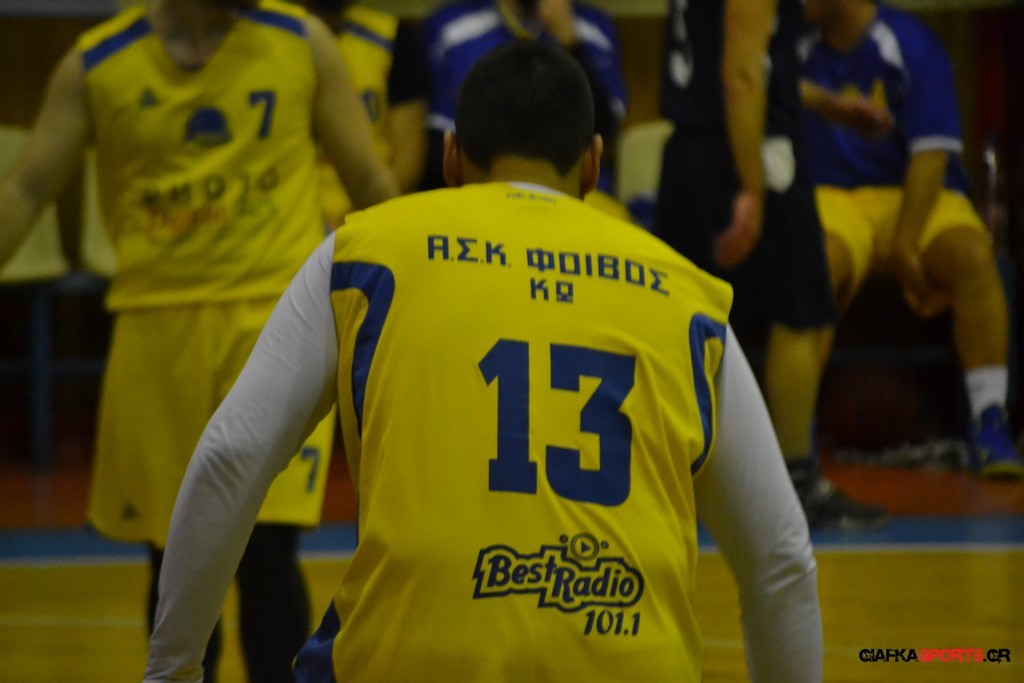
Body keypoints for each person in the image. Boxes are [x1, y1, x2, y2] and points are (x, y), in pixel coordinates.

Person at [144, 41, 822, 682]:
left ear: (450, 157)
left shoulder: (368, 252)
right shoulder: (687, 294)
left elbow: (232, 453)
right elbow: (782, 556)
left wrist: (173, 670)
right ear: (592, 164)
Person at [0, 1, 398, 681]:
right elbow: (27, 188)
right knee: (175, 559)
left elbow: (370, 182)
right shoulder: (97, 63)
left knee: (268, 551)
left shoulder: (302, 42)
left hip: (275, 328)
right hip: (155, 333)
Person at [655, 0, 890, 530]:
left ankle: (676, 476)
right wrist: (753, 191)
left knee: (687, 321)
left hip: (689, 153)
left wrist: (829, 105)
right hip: (752, 152)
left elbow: (738, 63)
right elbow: (740, 75)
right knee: (803, 312)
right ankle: (796, 484)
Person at [800, 0, 1024, 479]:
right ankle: (798, 430)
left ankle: (989, 419)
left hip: (914, 195)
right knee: (814, 265)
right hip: (831, 196)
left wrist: (904, 245)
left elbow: (931, 153)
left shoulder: (910, 42)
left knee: (971, 255)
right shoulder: (792, 43)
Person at [419, 0, 630, 220]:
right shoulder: (449, 29)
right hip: (476, 202)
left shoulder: (595, 28)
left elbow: (605, 130)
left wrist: (572, 44)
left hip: (586, 202)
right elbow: (437, 145)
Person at [306, 0, 429, 226]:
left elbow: (408, 161)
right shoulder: (273, 37)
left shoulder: (392, 36)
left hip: (369, 213)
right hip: (292, 222)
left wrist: (354, 221)